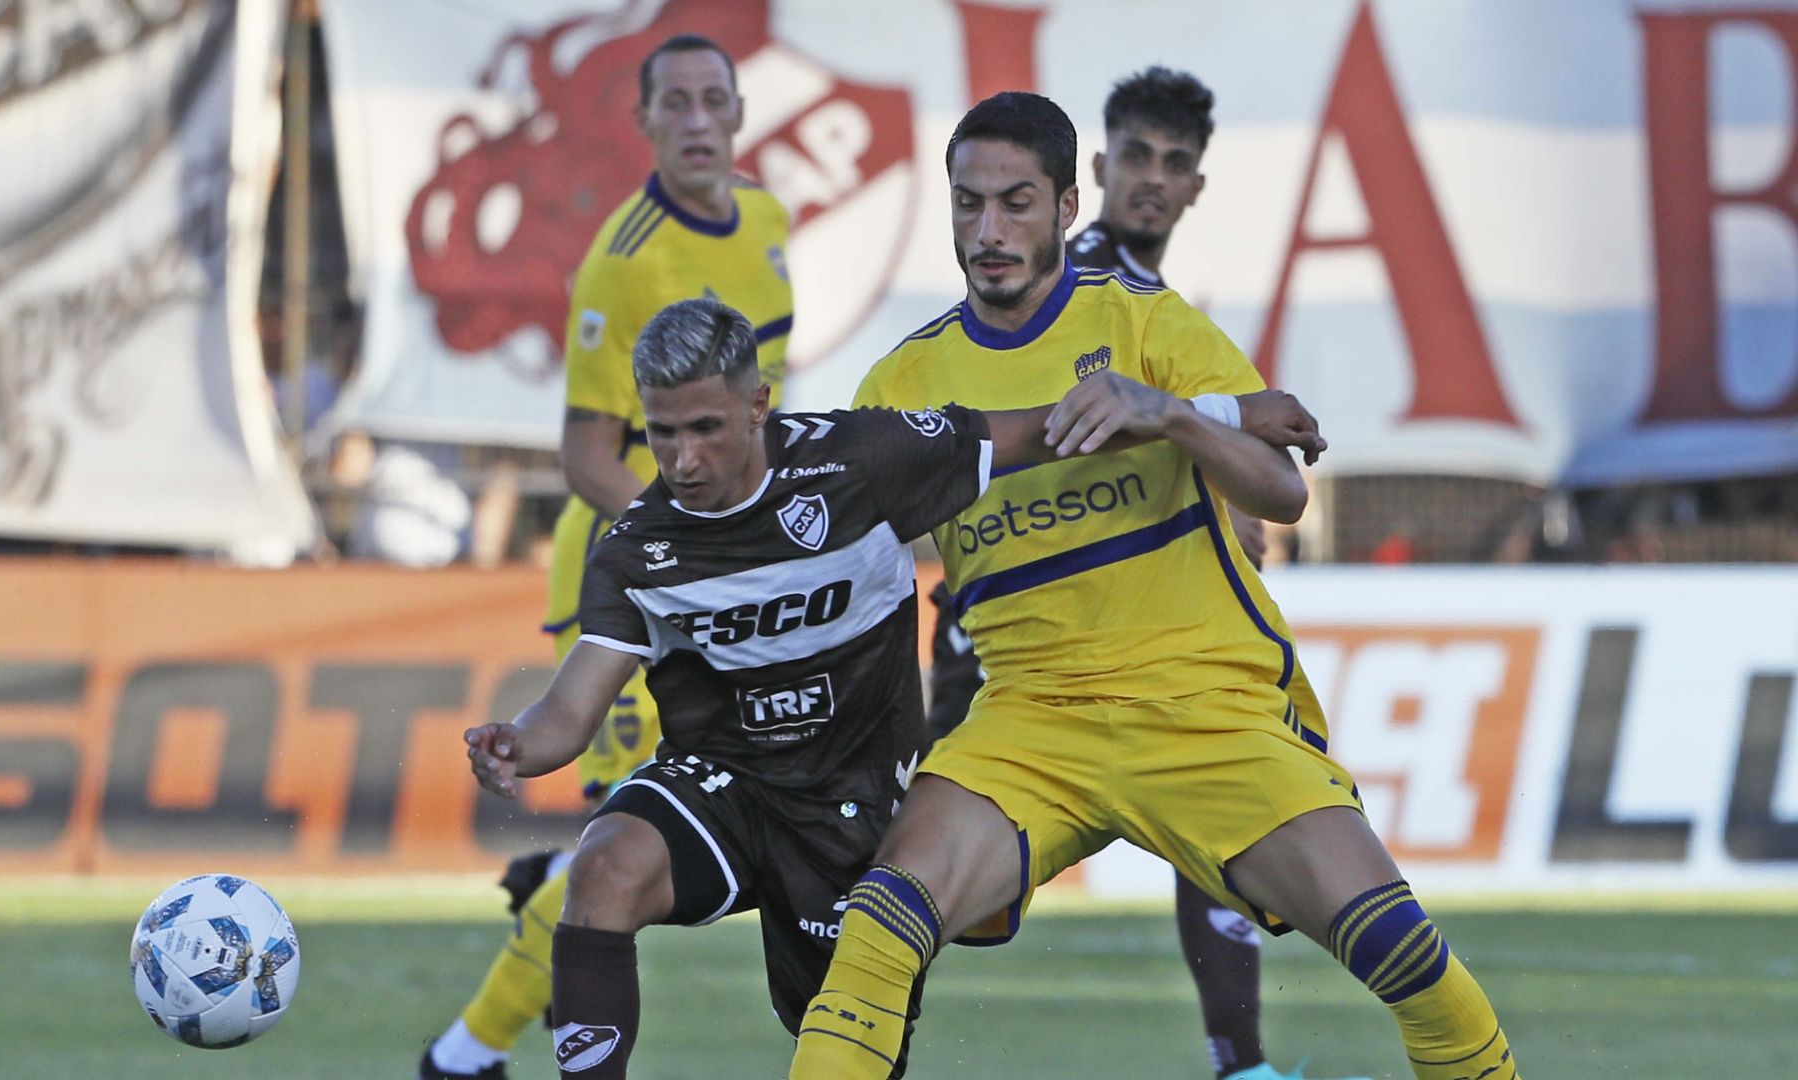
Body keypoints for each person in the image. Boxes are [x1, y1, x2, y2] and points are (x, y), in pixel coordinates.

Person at [788, 92, 1521, 1080]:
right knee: (877, 932)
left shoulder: (1144, 323)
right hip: (1031, 719)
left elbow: (1283, 491)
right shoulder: (904, 380)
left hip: (1203, 705)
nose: (989, 231)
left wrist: (1172, 416)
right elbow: (848, 554)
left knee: (1410, 964)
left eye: (1015, 203)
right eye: (968, 206)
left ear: (1064, 204)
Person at [462, 296, 1283, 1078]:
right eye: (663, 433)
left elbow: (1046, 430)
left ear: (758, 406)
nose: (682, 459)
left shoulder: (862, 457)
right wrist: (519, 743)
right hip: (725, 786)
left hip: (852, 803)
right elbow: (571, 710)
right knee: (602, 869)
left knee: (841, 1043)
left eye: (706, 429)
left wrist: (1232, 417)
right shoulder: (637, 550)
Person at [922, 67, 1358, 1080]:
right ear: (1097, 172)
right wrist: (1236, 416)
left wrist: (1220, 434)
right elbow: (1060, 429)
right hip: (1012, 638)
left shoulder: (1147, 304)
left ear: (1197, 186)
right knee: (935, 892)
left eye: (1177, 165)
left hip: (1113, 630)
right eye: (1138, 160)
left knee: (1209, 826)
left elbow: (1231, 445)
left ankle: (1237, 1062)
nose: (1154, 182)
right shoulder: (1065, 286)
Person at [420, 32, 793, 1080]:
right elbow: (586, 453)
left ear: (739, 112)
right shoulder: (626, 259)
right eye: (673, 103)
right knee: (622, 846)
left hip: (738, 561)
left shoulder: (767, 220)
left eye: (713, 100)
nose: (697, 121)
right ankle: (459, 1060)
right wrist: (691, 537)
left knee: (656, 832)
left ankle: (459, 1056)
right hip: (633, 572)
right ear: (642, 123)